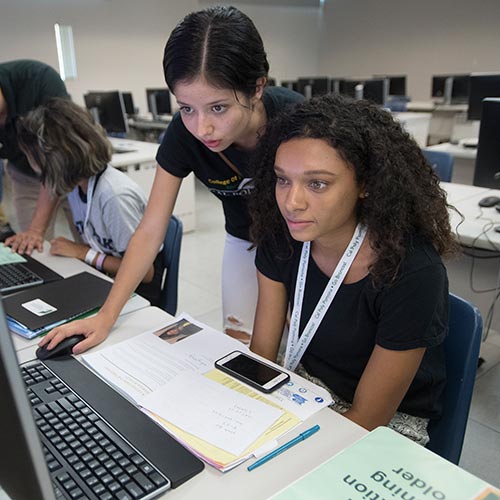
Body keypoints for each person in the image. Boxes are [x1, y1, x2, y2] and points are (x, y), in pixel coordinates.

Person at [38, 4, 303, 356]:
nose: (202, 128)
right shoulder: (184, 135)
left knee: (304, 348)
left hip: (307, 241)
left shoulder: (296, 119)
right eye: (187, 108)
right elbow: (150, 230)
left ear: (257, 88)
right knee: (242, 345)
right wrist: (105, 317)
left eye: (218, 108)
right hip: (245, 238)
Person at [249, 94, 458, 445]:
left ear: (365, 185)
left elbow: (367, 420)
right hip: (305, 387)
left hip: (384, 422)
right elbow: (262, 359)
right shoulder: (282, 239)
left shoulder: (412, 272)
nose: (291, 202)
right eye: (283, 179)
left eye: (317, 183)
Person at [15, 98, 162, 306]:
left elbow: (145, 273)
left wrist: (83, 252)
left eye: (31, 157)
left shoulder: (114, 197)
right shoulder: (77, 185)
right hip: (106, 278)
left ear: (56, 160)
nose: (31, 166)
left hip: (137, 293)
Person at [0, 59, 75, 243]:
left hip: (69, 171)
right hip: (25, 175)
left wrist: (36, 229)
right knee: (34, 248)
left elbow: (57, 160)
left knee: (92, 247)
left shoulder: (39, 79)